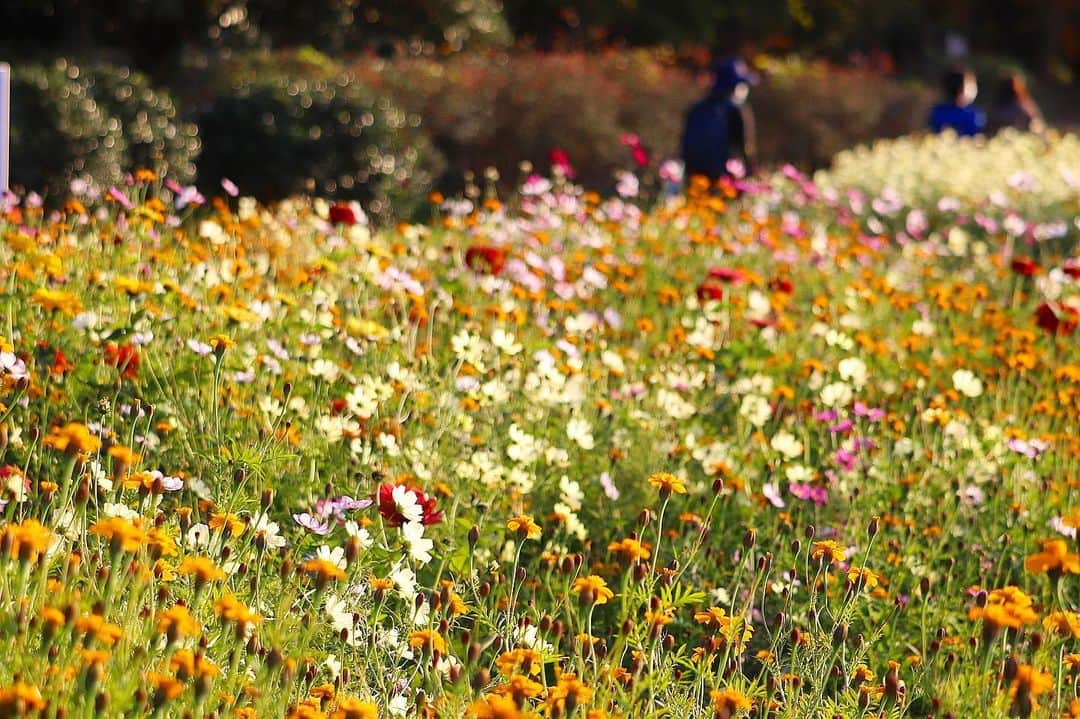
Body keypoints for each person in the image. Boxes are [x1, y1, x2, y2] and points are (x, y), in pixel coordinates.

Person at [681, 58, 757, 181]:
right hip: (726, 183)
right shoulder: (737, 111)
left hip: (696, 183)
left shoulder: (696, 110)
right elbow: (747, 149)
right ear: (735, 87)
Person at [928, 67, 985, 137]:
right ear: (961, 89)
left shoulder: (937, 111)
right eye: (971, 86)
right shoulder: (974, 115)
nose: (975, 90)